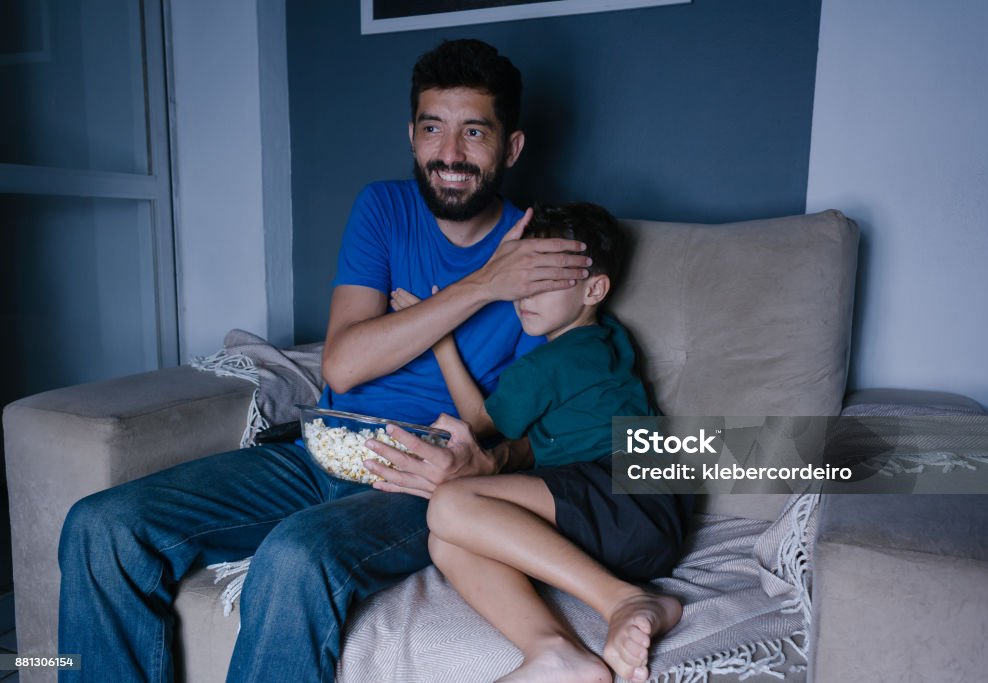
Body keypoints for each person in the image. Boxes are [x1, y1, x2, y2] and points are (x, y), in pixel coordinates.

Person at [56, 39, 591, 683]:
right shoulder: (383, 209)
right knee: (101, 526)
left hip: (421, 481)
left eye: (474, 132)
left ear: (511, 148)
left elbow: (546, 423)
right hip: (324, 450)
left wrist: (488, 450)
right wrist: (481, 285)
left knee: (295, 554)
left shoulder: (542, 255)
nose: (449, 154)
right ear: (412, 136)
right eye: (432, 129)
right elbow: (344, 365)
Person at [374, 203, 691, 683]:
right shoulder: (609, 341)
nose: (526, 295)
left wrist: (438, 339)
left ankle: (622, 599)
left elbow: (480, 421)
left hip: (628, 496)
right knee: (449, 542)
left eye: (547, 279)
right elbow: (551, 441)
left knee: (449, 505)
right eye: (526, 278)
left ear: (595, 289)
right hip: (653, 508)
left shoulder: (553, 363)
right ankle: (555, 653)